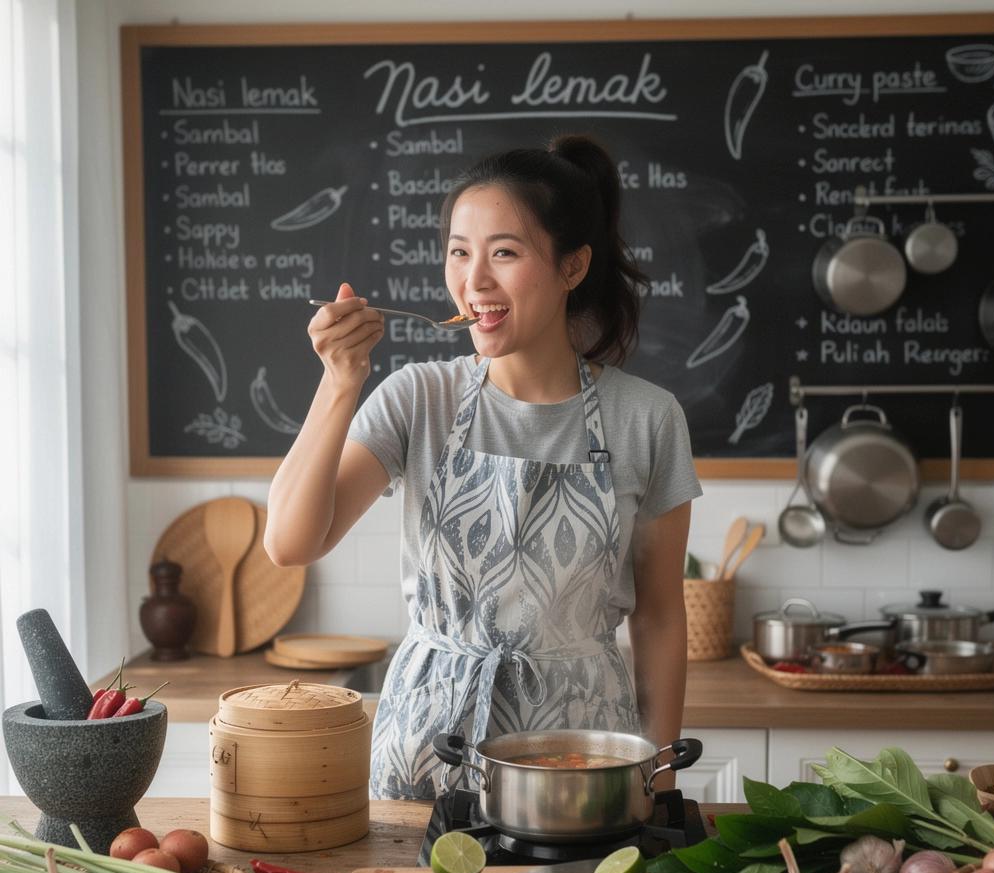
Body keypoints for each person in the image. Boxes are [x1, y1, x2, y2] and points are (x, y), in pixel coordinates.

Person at [265, 134, 702, 800]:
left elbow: (661, 618)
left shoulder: (647, 418)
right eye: (459, 252)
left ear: (573, 266)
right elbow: (290, 542)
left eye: (504, 252)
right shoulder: (419, 398)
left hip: (582, 759)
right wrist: (339, 382)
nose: (474, 281)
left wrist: (657, 780)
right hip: (427, 749)